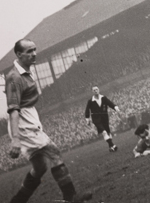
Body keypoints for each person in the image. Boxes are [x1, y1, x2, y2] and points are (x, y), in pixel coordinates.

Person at [6, 39, 92, 203]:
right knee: (54, 151)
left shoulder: (25, 71)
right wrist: (15, 138)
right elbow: (13, 109)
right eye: (29, 51)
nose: (34, 54)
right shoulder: (14, 77)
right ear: (18, 54)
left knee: (40, 167)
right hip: (23, 123)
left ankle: (17, 201)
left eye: (34, 50)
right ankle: (70, 196)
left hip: (29, 118)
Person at [84, 86, 120, 152]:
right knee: (104, 132)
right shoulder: (90, 101)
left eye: (96, 89)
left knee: (108, 132)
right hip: (96, 118)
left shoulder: (103, 98)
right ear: (92, 91)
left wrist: (115, 107)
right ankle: (113, 145)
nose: (95, 91)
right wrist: (87, 118)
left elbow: (110, 103)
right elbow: (87, 109)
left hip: (104, 117)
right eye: (94, 90)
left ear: (99, 90)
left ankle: (110, 147)